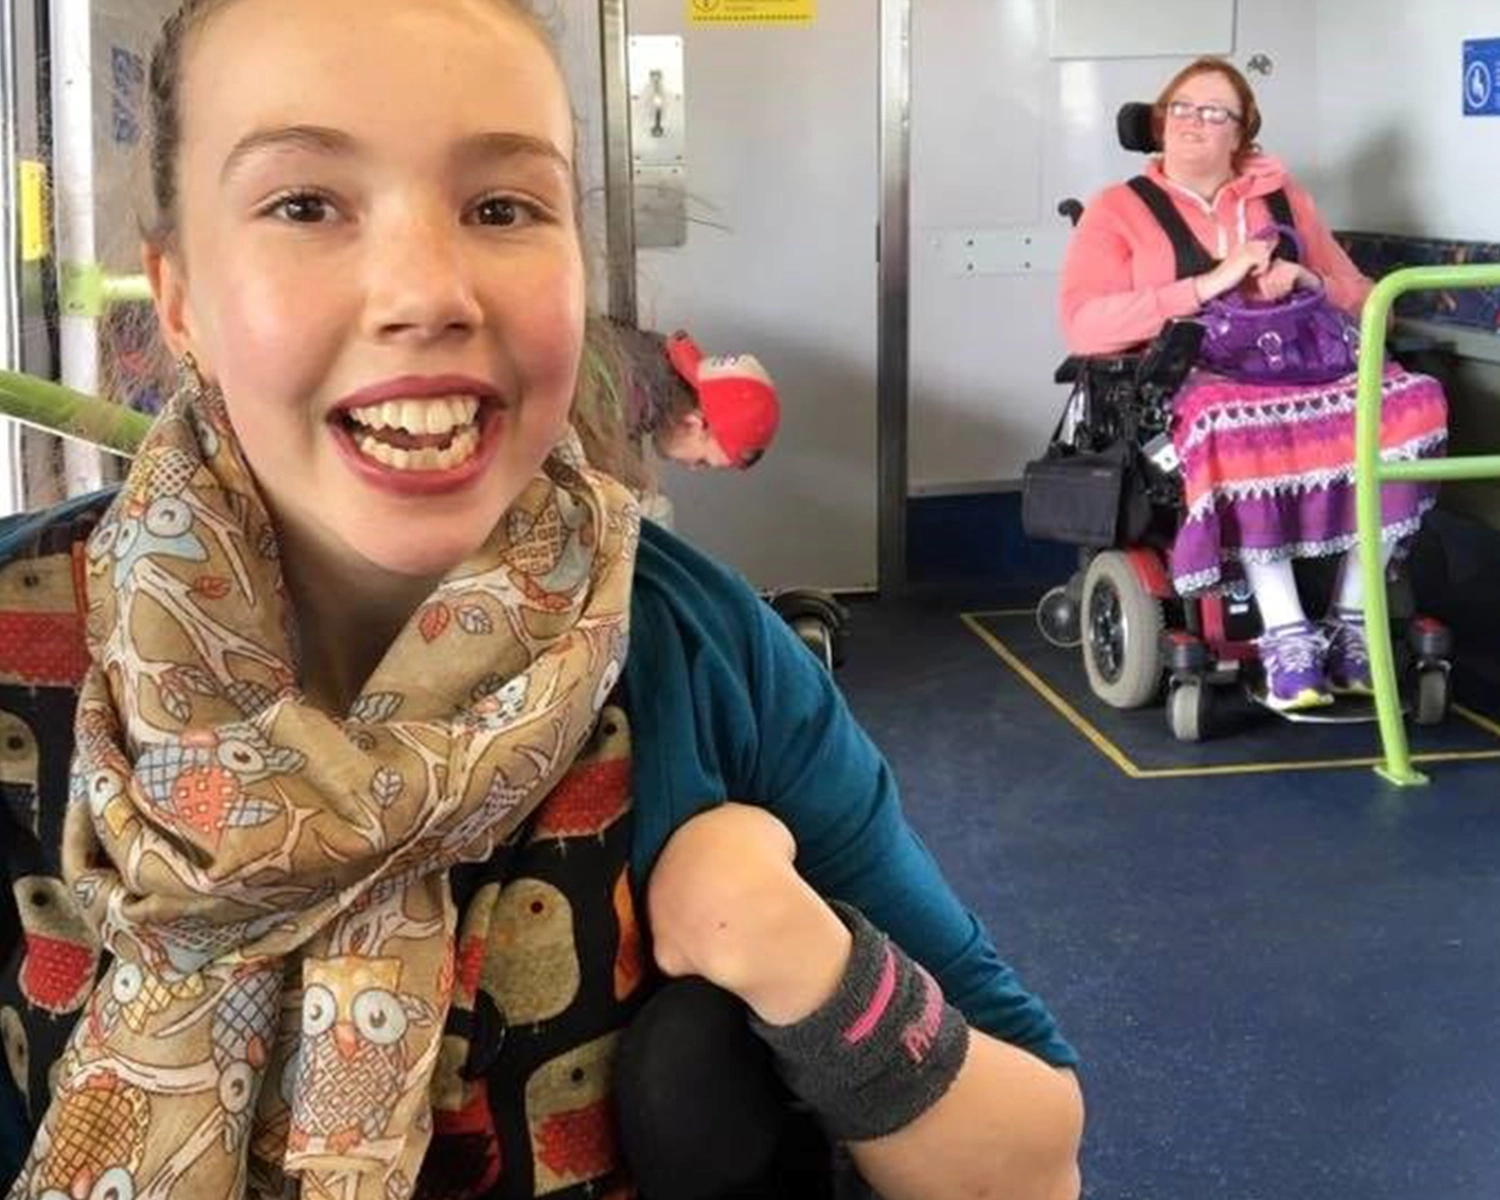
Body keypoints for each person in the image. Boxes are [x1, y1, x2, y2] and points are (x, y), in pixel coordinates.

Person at [0, 3, 1083, 1200]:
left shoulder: (693, 652)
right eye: (305, 205)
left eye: (503, 208)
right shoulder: (24, 643)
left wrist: (814, 971)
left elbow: (1031, 1164)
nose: (427, 293)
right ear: (182, 294)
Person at [1059, 57, 1448, 711]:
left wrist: (1306, 281)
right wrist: (1207, 284)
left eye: (1215, 112)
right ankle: (1287, 634)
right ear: (1158, 122)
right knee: (1233, 423)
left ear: (1242, 133)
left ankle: (1353, 619)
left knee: (1415, 400)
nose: (1192, 121)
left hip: (1304, 369)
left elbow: (1365, 296)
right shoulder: (1118, 210)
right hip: (1195, 382)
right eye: (1180, 107)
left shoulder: (1284, 199)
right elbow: (1083, 323)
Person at [586, 319, 780, 474]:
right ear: (694, 424)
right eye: (703, 461)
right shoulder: (634, 397)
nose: (692, 468)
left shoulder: (655, 354)